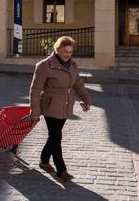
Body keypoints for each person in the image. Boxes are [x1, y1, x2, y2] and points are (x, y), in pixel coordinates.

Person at [25, 36, 91, 183]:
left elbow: (78, 84)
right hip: (50, 105)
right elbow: (35, 90)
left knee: (54, 136)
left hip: (66, 105)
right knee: (56, 137)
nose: (67, 54)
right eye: (64, 51)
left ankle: (43, 160)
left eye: (70, 51)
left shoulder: (72, 65)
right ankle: (61, 171)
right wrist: (35, 111)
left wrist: (86, 99)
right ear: (57, 49)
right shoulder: (44, 65)